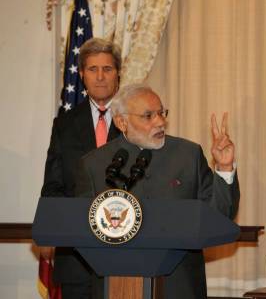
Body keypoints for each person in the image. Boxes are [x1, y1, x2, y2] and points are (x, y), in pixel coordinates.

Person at [74, 83, 240, 299]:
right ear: (122, 122)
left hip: (180, 287)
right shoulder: (94, 165)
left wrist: (225, 168)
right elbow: (82, 231)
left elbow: (220, 216)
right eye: (148, 116)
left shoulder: (187, 155)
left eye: (161, 113)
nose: (160, 122)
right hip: (116, 288)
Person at [40, 37, 122, 298]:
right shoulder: (63, 124)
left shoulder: (134, 120)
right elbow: (53, 185)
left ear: (118, 74)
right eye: (92, 69)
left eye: (107, 69)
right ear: (83, 75)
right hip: (75, 257)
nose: (100, 77)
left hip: (126, 254)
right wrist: (51, 229)